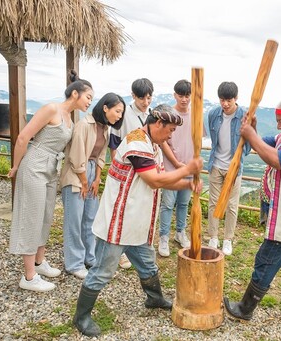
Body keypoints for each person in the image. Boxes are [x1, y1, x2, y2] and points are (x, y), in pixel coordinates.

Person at [73, 104, 203, 337]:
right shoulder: (136, 142)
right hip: (118, 219)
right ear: (158, 124)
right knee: (103, 270)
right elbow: (153, 180)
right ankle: (81, 316)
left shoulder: (154, 146)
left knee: (147, 263)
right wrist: (187, 170)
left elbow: (162, 179)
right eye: (170, 130)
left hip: (138, 219)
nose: (171, 135)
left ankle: (154, 299)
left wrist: (188, 184)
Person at [224, 98, 281, 320]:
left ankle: (245, 309)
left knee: (265, 260)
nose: (278, 126)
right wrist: (253, 130)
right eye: (277, 122)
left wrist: (250, 133)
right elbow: (262, 145)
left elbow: (274, 159)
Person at [8, 70, 93, 292]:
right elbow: (23, 137)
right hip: (35, 164)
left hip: (51, 169)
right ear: (75, 94)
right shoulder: (51, 109)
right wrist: (16, 166)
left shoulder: (71, 119)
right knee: (31, 216)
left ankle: (39, 261)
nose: (89, 102)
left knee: (45, 216)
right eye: (88, 97)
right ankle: (28, 277)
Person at [59, 93, 125, 279]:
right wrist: (84, 182)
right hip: (75, 175)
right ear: (106, 108)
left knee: (90, 219)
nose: (119, 116)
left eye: (121, 113)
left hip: (90, 173)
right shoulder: (84, 125)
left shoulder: (105, 128)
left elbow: (101, 156)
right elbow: (76, 156)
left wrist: (96, 180)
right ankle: (74, 263)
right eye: (117, 111)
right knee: (74, 221)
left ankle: (90, 257)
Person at [108, 78, 155, 269]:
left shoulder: (152, 114)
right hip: (127, 169)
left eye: (149, 97)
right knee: (123, 210)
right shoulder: (124, 114)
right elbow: (114, 142)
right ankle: (121, 253)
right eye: (142, 97)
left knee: (140, 209)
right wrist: (116, 168)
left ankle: (137, 247)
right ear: (133, 95)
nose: (146, 102)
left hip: (145, 169)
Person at [206, 81, 251, 255]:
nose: (225, 104)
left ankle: (228, 240)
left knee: (232, 205)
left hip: (235, 167)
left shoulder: (244, 116)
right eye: (222, 100)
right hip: (216, 164)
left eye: (229, 100)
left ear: (236, 98)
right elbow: (214, 140)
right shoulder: (213, 114)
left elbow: (248, 145)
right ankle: (213, 237)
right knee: (213, 203)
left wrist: (238, 159)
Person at [157, 79, 193, 257]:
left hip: (189, 168)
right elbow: (163, 142)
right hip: (172, 167)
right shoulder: (169, 114)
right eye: (180, 96)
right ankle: (163, 237)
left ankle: (180, 233)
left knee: (184, 203)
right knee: (168, 204)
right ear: (174, 95)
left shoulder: (195, 115)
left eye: (187, 96)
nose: (184, 99)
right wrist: (177, 163)